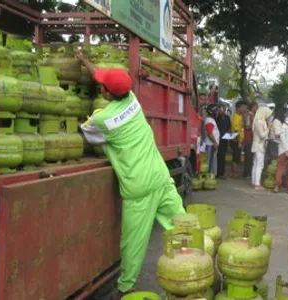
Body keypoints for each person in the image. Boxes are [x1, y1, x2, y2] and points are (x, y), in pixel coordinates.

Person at [76, 53, 186, 298]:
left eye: (102, 87)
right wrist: (86, 62)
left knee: (134, 243)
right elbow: (108, 81)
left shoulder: (102, 119)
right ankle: (192, 272)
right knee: (182, 227)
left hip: (138, 187)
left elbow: (86, 133)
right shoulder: (134, 101)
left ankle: (126, 288)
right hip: (160, 176)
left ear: (105, 94)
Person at [251, 107, 273, 190]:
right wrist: (269, 127)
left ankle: (254, 182)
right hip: (259, 146)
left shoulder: (258, 121)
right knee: (259, 165)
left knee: (256, 164)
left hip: (257, 145)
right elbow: (262, 135)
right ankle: (257, 184)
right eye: (269, 114)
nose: (269, 116)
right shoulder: (260, 122)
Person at [230, 101, 246, 178]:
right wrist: (239, 141)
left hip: (239, 140)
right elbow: (236, 131)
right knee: (235, 158)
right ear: (238, 108)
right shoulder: (235, 117)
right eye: (243, 108)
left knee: (237, 157)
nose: (244, 109)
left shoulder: (240, 116)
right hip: (236, 141)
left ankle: (236, 173)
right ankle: (234, 173)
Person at [204, 104, 221, 176]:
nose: (217, 113)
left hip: (212, 144)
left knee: (212, 160)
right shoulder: (209, 120)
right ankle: (209, 176)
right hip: (211, 144)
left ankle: (211, 176)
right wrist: (215, 142)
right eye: (216, 111)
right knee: (210, 161)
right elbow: (209, 133)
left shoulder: (211, 120)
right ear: (212, 112)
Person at [215, 103, 231, 179]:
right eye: (221, 109)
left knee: (223, 156)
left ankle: (222, 173)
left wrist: (229, 133)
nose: (223, 111)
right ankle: (217, 172)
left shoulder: (227, 117)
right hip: (218, 139)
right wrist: (218, 115)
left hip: (225, 139)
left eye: (224, 109)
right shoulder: (216, 118)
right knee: (218, 156)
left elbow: (229, 127)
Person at [243, 102, 258, 178]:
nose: (257, 108)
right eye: (256, 107)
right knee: (248, 155)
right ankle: (246, 172)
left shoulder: (252, 115)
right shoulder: (249, 115)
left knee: (250, 155)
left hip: (251, 136)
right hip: (248, 136)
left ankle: (248, 171)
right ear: (253, 107)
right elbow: (247, 126)